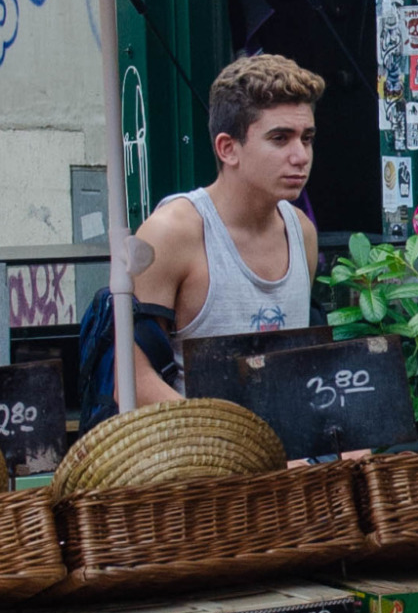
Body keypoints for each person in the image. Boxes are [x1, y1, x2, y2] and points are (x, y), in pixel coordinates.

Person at [123, 53, 324, 408]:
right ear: (228, 148)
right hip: (197, 453)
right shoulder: (171, 232)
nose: (300, 156)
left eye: (306, 138)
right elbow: (130, 380)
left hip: (291, 454)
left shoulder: (301, 231)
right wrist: (221, 438)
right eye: (280, 138)